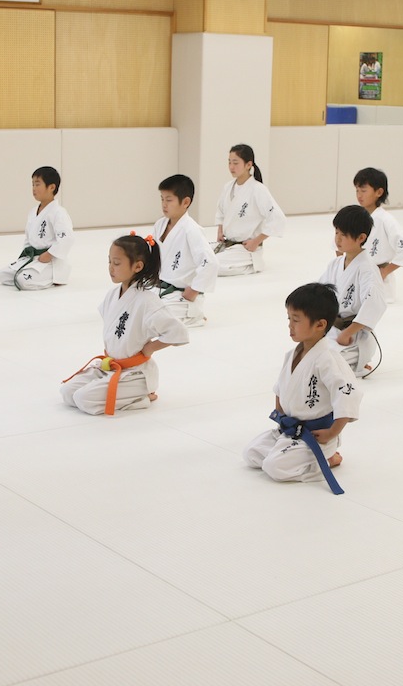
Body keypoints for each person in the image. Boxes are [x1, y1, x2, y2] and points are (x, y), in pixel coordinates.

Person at [243, 283, 361, 493]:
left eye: (296, 320)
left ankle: (326, 458)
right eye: (289, 319)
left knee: (275, 468)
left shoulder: (328, 359)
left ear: (320, 324)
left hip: (316, 434)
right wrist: (281, 414)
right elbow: (280, 388)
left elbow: (348, 395)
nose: (290, 326)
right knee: (251, 454)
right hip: (289, 429)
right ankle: (293, 454)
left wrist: (332, 432)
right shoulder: (292, 355)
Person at [60, 234, 189, 415]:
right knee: (67, 393)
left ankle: (141, 397)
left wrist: (150, 348)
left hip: (135, 374)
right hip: (110, 366)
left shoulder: (147, 301)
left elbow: (178, 333)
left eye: (117, 263)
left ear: (137, 266)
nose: (111, 268)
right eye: (109, 262)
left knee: (83, 399)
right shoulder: (113, 294)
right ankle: (126, 393)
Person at [317, 205, 385, 376]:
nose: (338, 239)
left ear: (361, 237)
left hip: (354, 337)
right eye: (336, 233)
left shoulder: (368, 269)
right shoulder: (335, 264)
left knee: (325, 366)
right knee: (306, 356)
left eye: (344, 235)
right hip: (332, 329)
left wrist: (347, 333)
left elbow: (374, 306)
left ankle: (358, 362)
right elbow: (320, 293)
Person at [151, 174, 218, 328]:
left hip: (181, 294)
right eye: (162, 199)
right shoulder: (160, 224)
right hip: (160, 288)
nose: (164, 204)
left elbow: (210, 263)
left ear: (186, 202)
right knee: (131, 306)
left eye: (169, 200)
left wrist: (193, 290)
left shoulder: (191, 229)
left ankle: (194, 314)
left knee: (155, 320)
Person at [0, 166, 75, 291]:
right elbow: (28, 238)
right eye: (32, 184)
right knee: (4, 275)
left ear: (51, 187)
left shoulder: (58, 212)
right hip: (33, 257)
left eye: (37, 184)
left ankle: (54, 278)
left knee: (23, 280)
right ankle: (32, 273)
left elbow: (67, 239)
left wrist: (49, 254)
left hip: (50, 261)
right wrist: (25, 254)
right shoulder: (33, 212)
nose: (34, 188)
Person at [214, 144, 286, 277]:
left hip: (247, 248)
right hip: (228, 244)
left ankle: (251, 264)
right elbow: (221, 211)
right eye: (229, 162)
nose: (231, 167)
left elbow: (277, 218)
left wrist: (256, 241)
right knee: (199, 257)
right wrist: (220, 230)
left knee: (212, 265)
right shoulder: (228, 187)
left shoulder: (258, 189)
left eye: (235, 163)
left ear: (248, 165)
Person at [353, 167, 403, 302]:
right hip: (356, 277)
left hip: (380, 282)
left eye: (363, 190)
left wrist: (384, 272)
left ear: (379, 192)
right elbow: (338, 244)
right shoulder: (354, 216)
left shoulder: (386, 220)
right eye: (357, 190)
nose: (359, 195)